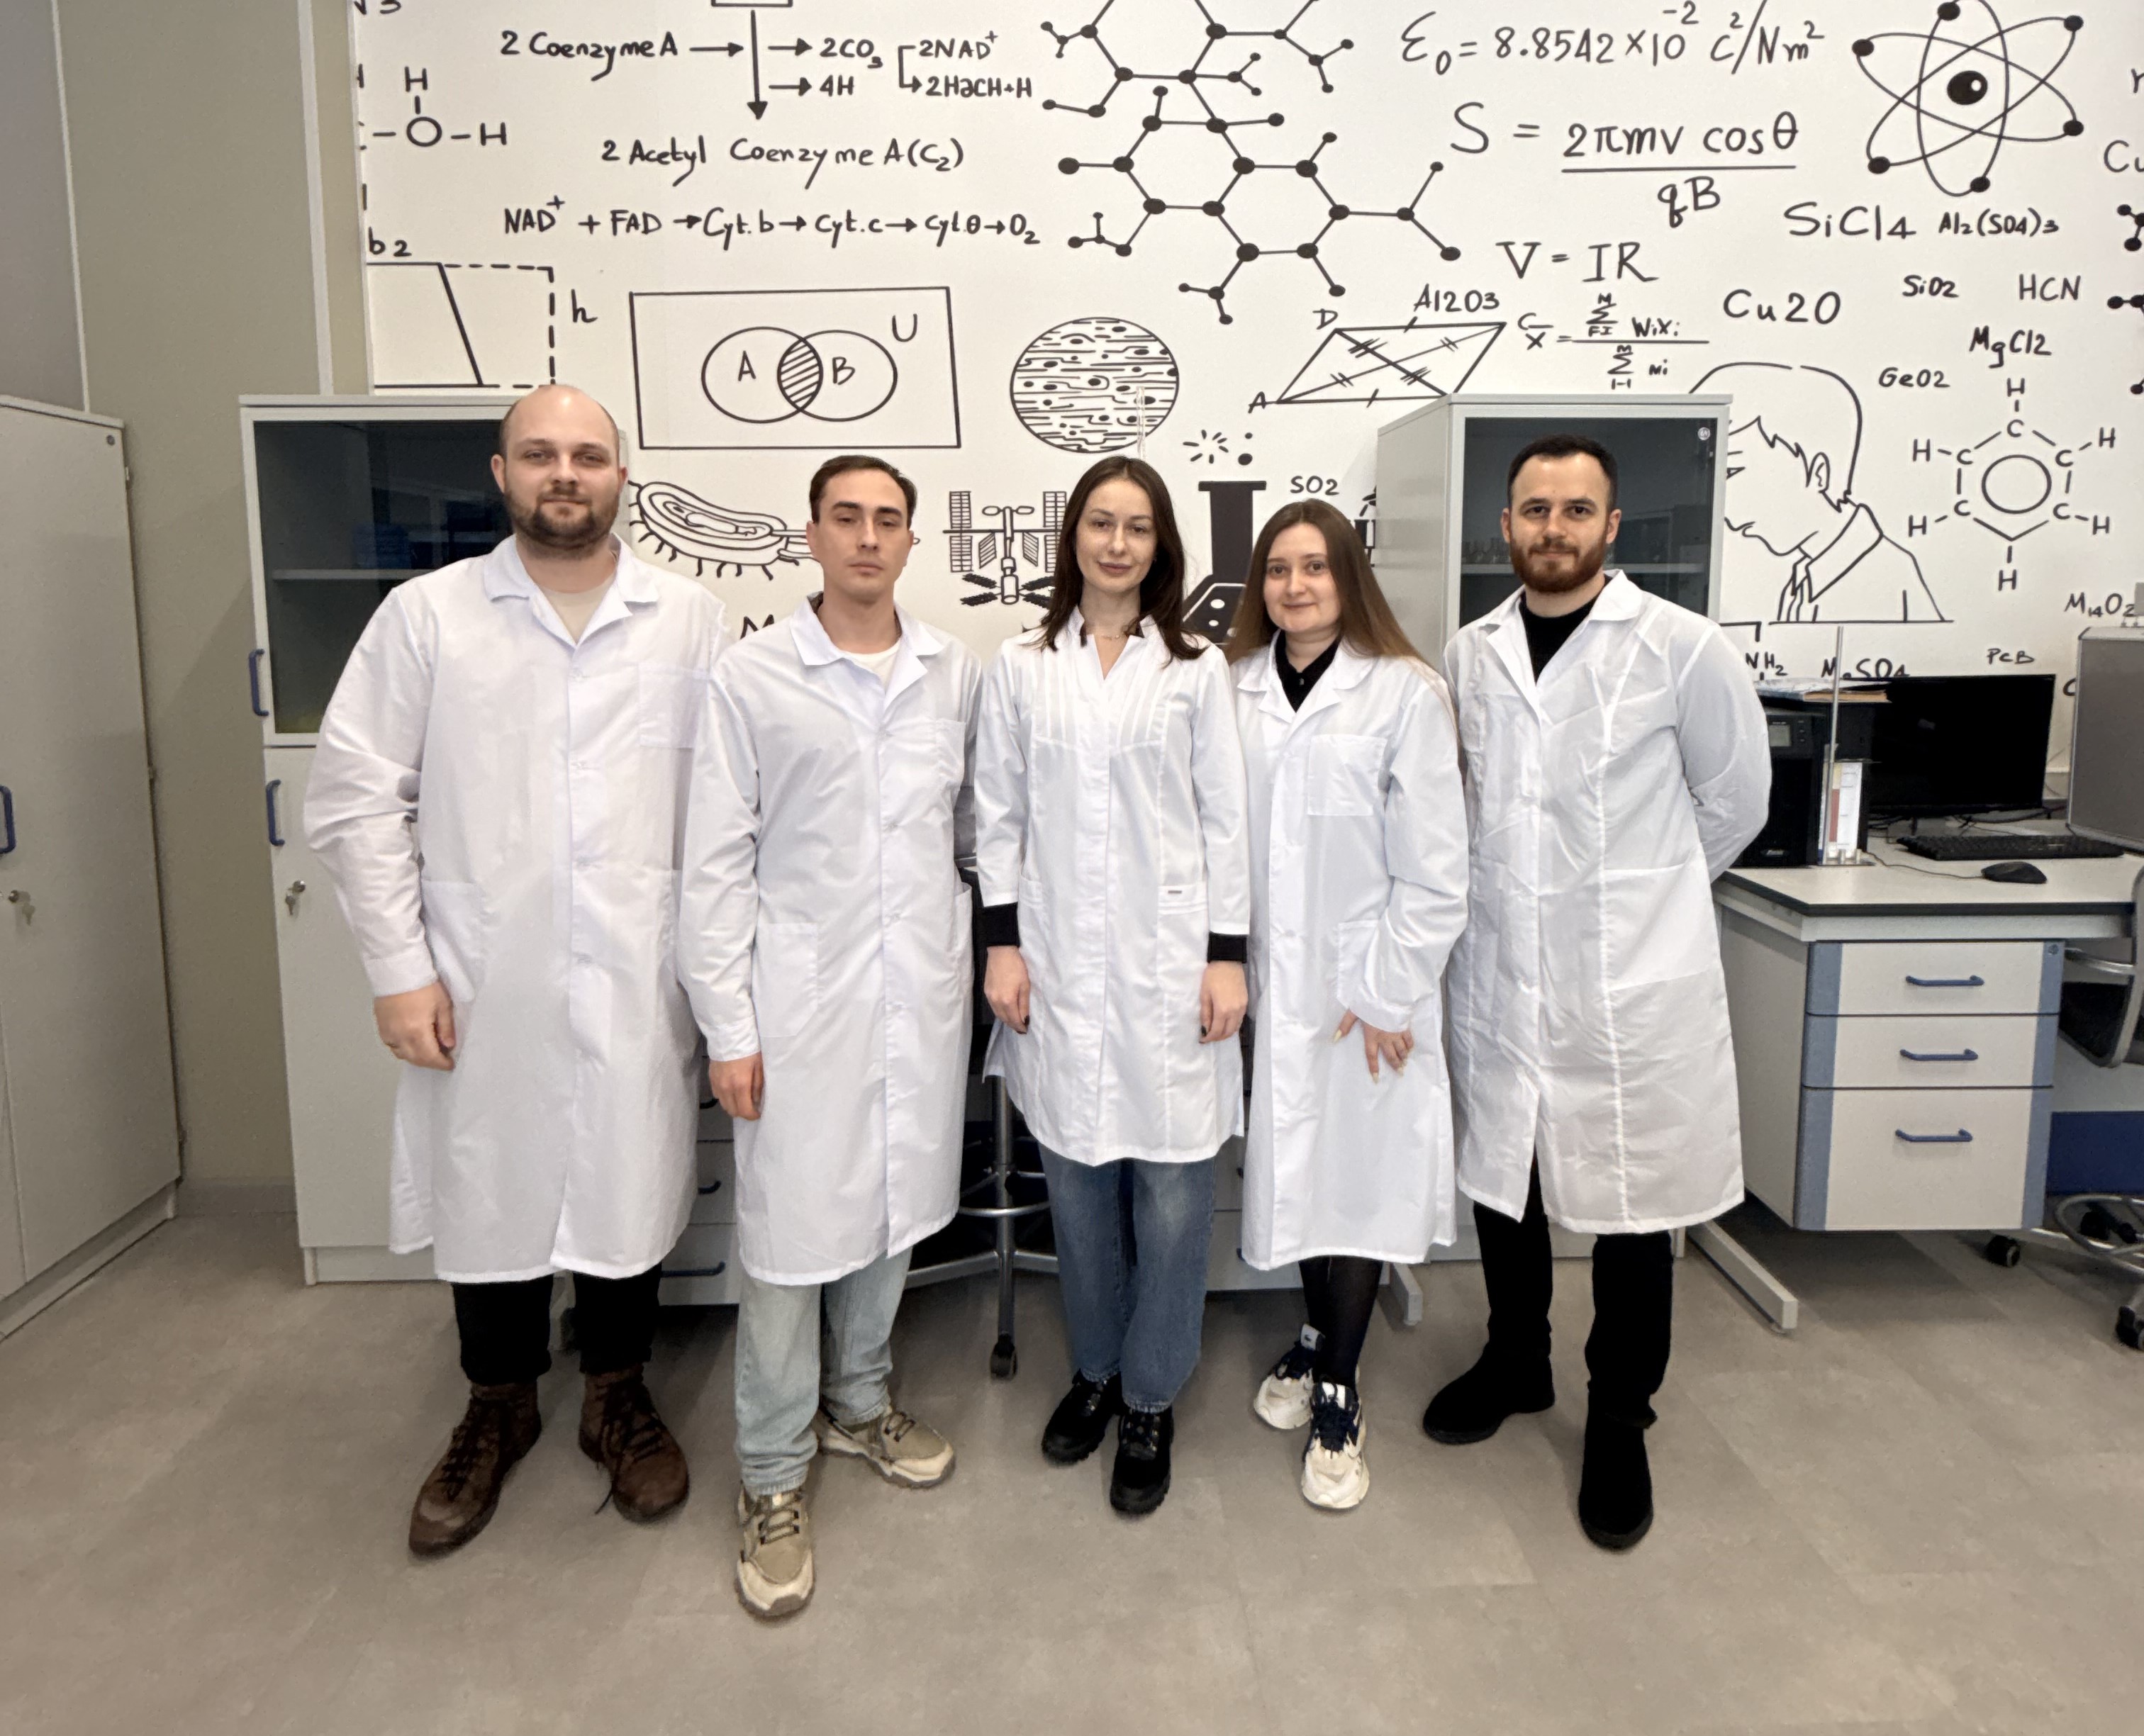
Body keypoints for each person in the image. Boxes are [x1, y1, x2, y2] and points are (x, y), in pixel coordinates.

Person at [306, 384, 726, 1555]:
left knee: (629, 1176)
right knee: (489, 1183)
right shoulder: (429, 617)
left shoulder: (689, 620)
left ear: (620, 475)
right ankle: (497, 1401)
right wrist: (400, 968)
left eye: (587, 454)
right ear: (501, 473)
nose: (565, 473)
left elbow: (727, 805)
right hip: (481, 973)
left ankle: (615, 1392)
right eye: (540, 453)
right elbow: (351, 798)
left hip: (638, 970)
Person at [1426, 432, 1769, 1550]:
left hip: (1627, 977)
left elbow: (1736, 802)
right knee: (1507, 1176)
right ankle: (1516, 1359)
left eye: (1577, 510)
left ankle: (1620, 1417)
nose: (1554, 529)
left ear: (1611, 526)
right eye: (1535, 509)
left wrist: (1634, 901)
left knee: (1634, 1205)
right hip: (1502, 968)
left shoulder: (1682, 647)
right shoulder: (1470, 652)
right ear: (1507, 525)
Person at [678, 454, 977, 1619]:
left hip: (915, 995)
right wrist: (727, 1025)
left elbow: (967, 832)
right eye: (845, 517)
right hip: (797, 1004)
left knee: (891, 1207)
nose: (866, 536)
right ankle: (769, 1472)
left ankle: (859, 1402)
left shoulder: (951, 672)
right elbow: (714, 864)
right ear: (810, 534)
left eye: (887, 520)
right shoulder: (751, 676)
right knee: (791, 1235)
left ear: (910, 541)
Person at [975, 455, 1251, 1518]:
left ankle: (1149, 1395)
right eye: (1102, 522)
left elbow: (1225, 818)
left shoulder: (1193, 668)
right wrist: (1002, 945)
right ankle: (1094, 1367)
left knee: (1175, 1196)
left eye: (1139, 527)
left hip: (1171, 962)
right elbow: (998, 815)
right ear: (1074, 537)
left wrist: (1226, 953)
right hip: (1053, 961)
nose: (1119, 543)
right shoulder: (1021, 665)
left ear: (1161, 546)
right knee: (1080, 1187)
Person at [1222, 501, 1468, 1512]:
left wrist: (1385, 988)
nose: (1296, 586)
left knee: (1357, 1185)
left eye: (1316, 567)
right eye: (1279, 569)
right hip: (1274, 989)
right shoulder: (1232, 687)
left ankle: (1338, 1389)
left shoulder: (1405, 692)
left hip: (1371, 994)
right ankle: (1318, 1332)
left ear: (1348, 578)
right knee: (1300, 1172)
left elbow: (1438, 869)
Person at [1692, 362, 1943, 625]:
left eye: (1731, 472)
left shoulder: (1886, 581)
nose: (1724, 510)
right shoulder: (1807, 577)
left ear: (1818, 472)